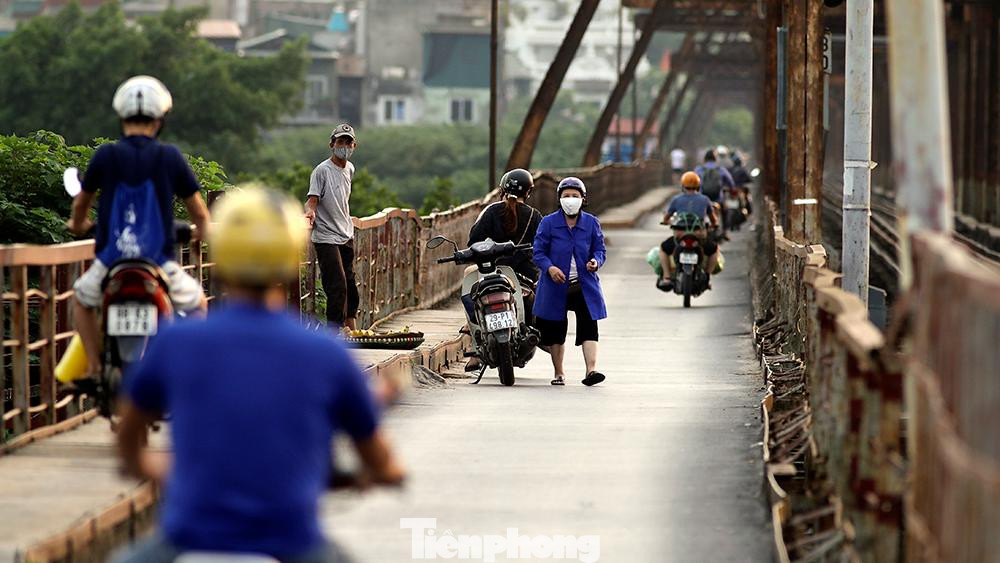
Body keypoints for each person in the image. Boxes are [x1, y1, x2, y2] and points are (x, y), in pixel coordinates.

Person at [114, 188, 405, 563]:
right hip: (293, 543)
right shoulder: (327, 353)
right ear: (289, 259)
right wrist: (382, 474)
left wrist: (156, 467)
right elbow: (380, 458)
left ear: (221, 257)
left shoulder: (176, 342)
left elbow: (128, 437)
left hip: (190, 538)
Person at [66, 75, 211, 379]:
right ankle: (182, 368)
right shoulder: (169, 156)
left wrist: (78, 225)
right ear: (159, 120)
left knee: (82, 301)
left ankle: (94, 366)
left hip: (110, 263)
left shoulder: (106, 155)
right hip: (158, 263)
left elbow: (81, 202)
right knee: (197, 303)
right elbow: (198, 211)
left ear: (122, 118)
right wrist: (200, 232)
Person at [463, 168, 543, 371]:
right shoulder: (535, 216)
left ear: (502, 190)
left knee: (469, 278)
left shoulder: (491, 211)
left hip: (493, 271)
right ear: (528, 192)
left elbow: (474, 241)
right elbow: (543, 245)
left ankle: (472, 336)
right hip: (525, 274)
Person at [533, 177, 607, 387]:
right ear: (559, 199)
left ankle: (591, 370)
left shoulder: (591, 222)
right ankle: (559, 372)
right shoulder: (548, 223)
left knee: (589, 326)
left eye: (575, 196)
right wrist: (550, 268)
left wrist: (596, 261)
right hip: (556, 284)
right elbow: (538, 252)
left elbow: (600, 250)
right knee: (556, 329)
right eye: (567, 196)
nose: (571, 200)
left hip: (583, 284)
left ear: (583, 199)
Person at [304, 123, 360, 331]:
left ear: (354, 145)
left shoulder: (350, 169)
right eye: (340, 142)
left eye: (348, 142)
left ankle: (351, 327)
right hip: (326, 236)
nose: (344, 146)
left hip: (346, 233)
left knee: (351, 285)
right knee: (336, 285)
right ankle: (334, 332)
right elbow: (312, 200)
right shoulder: (321, 171)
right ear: (332, 144)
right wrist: (310, 212)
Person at [657, 172, 720, 291]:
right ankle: (707, 276)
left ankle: (666, 277)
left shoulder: (676, 199)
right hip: (699, 235)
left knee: (663, 249)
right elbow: (713, 219)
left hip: (680, 235)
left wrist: (666, 221)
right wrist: (714, 224)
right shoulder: (704, 199)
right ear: (698, 186)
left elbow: (667, 217)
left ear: (683, 186)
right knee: (714, 250)